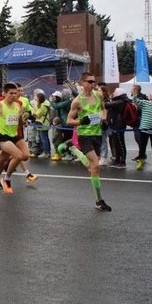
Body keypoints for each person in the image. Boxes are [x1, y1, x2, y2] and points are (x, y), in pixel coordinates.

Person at [62, 72, 111, 211]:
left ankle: (72, 148)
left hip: (97, 134)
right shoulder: (77, 101)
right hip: (84, 136)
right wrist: (81, 121)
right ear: (82, 83)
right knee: (96, 166)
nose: (93, 84)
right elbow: (69, 120)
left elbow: (103, 109)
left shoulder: (98, 95)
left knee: (91, 168)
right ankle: (99, 200)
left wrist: (104, 119)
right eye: (89, 81)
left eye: (94, 81)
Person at [0, 83, 36, 194]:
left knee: (21, 157)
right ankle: (7, 179)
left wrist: (22, 119)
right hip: (3, 137)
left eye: (15, 93)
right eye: (11, 93)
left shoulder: (18, 106)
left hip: (15, 135)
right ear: (4, 93)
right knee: (18, 156)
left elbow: (19, 125)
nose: (14, 95)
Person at [134, 91, 152, 171]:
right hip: (144, 129)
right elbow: (136, 101)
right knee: (142, 146)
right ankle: (141, 160)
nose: (150, 94)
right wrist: (134, 95)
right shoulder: (145, 103)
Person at [104, 88, 129, 168]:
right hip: (115, 125)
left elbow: (106, 105)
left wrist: (100, 99)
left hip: (119, 126)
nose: (113, 93)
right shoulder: (120, 101)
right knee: (117, 143)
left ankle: (122, 161)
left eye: (115, 92)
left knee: (120, 143)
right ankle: (117, 160)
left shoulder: (120, 102)